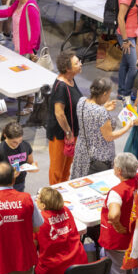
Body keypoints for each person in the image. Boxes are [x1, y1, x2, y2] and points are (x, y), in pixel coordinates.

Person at [71, 77, 130, 179]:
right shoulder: (101, 112)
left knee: (82, 182)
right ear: (104, 94)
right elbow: (109, 136)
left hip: (82, 151)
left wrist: (104, 108)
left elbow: (92, 118)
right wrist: (127, 127)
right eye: (109, 94)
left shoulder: (82, 101)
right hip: (98, 157)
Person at [34, 186, 87, 274]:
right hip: (79, 265)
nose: (36, 200)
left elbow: (32, 248)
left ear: (43, 205)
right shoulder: (66, 210)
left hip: (55, 272)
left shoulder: (40, 219)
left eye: (38, 198)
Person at [100, 153, 138, 274]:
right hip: (136, 236)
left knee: (118, 273)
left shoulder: (117, 192)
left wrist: (117, 226)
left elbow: (113, 214)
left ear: (119, 171)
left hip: (119, 242)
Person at [46, 52, 83, 184]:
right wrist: (68, 132)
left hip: (72, 133)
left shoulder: (71, 80)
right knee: (57, 170)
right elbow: (59, 113)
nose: (80, 64)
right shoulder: (61, 86)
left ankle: (64, 192)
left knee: (66, 168)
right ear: (68, 68)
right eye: (77, 63)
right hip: (61, 135)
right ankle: (54, 194)